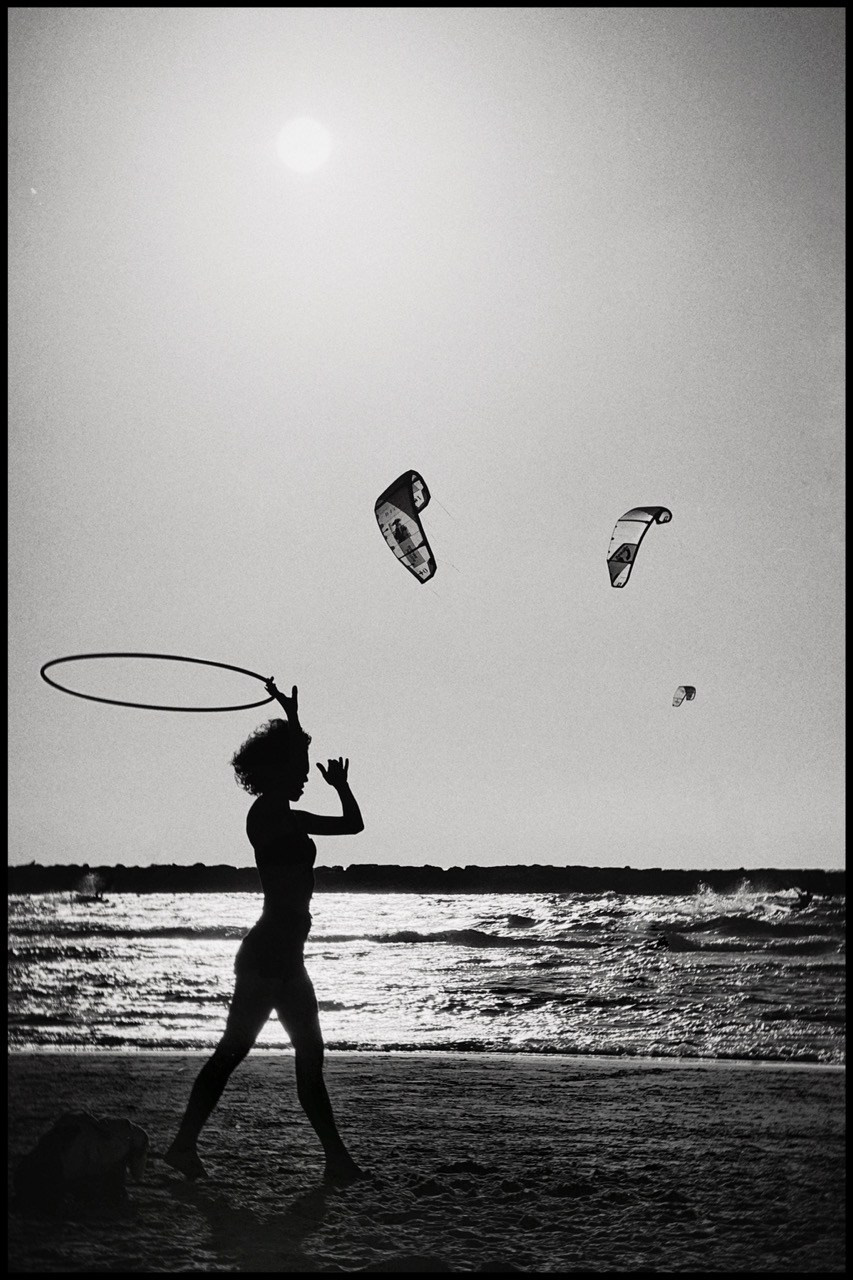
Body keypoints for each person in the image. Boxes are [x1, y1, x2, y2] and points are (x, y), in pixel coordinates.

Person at [164, 681, 364, 1182]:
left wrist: (336, 780)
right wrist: (293, 726)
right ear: (275, 771)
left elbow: (353, 825)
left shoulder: (291, 816)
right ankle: (183, 1146)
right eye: (296, 771)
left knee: (308, 1057)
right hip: (267, 953)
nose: (304, 777)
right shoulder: (268, 815)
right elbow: (294, 760)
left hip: (286, 957)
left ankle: (337, 1161)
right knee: (233, 1053)